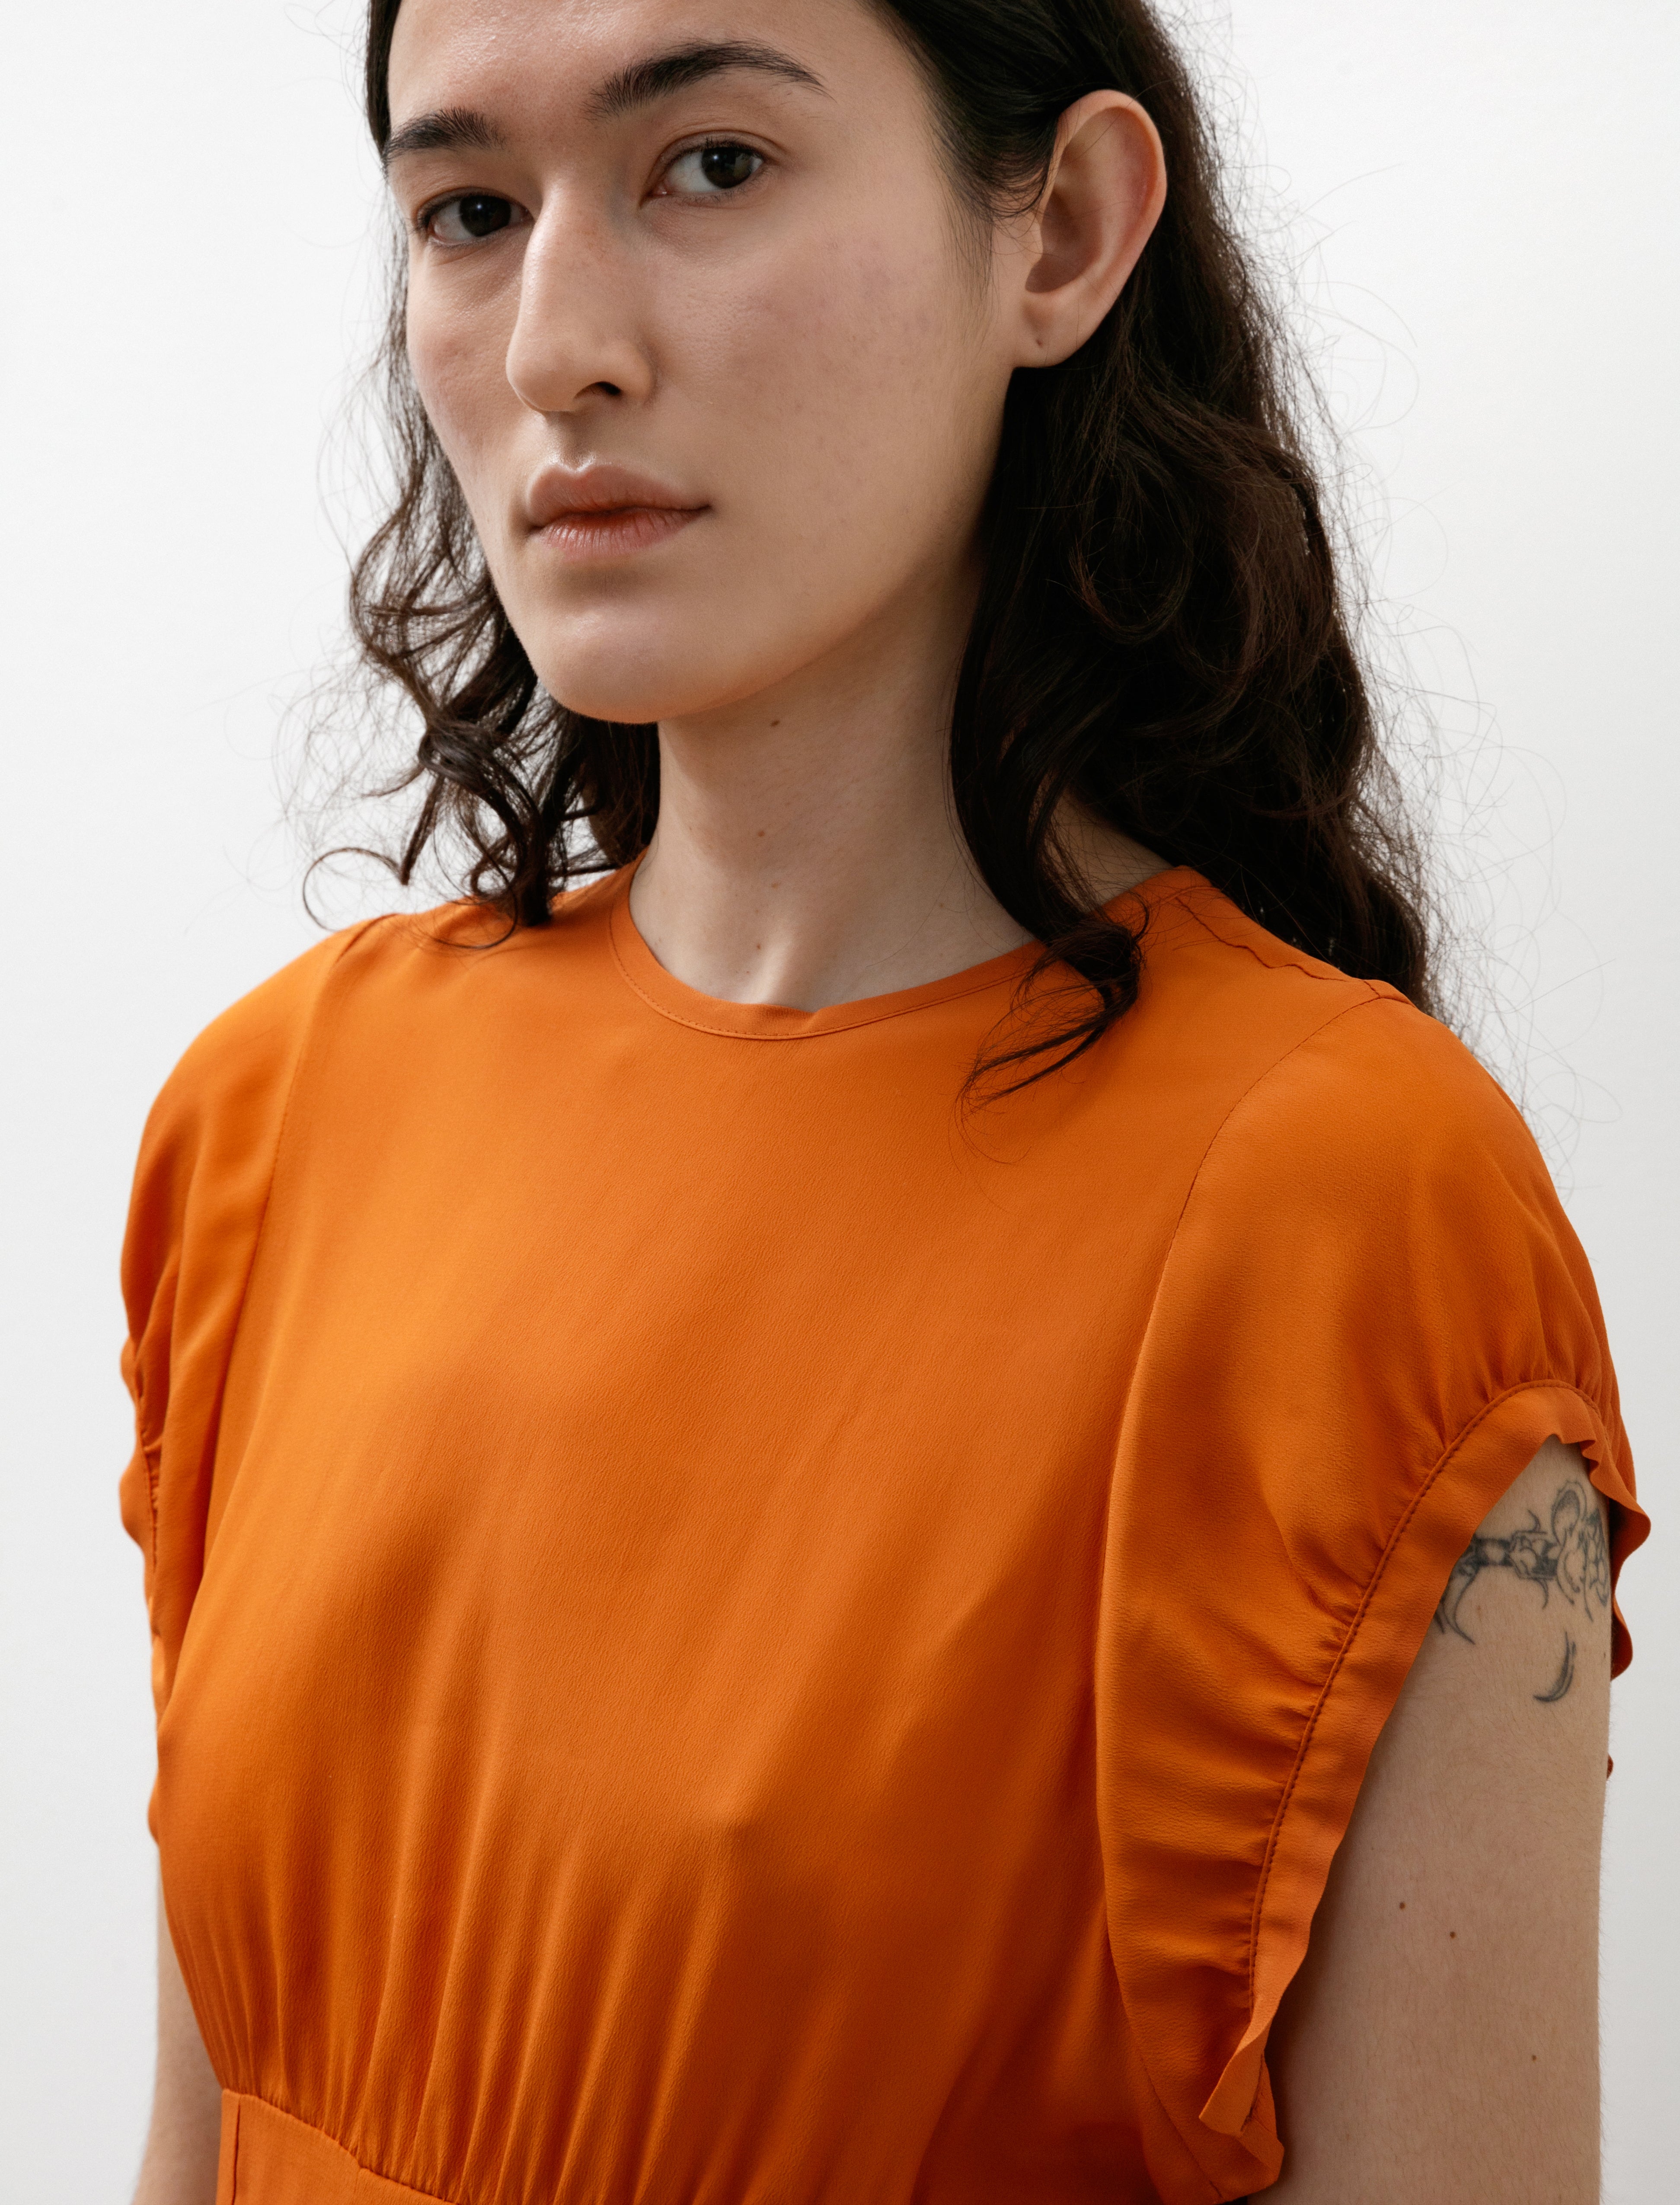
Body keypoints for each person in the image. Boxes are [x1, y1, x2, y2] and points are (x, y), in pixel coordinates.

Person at [123, 2, 1645, 2201]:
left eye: (712, 165)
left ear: (1067, 230)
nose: (558, 347)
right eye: (468, 210)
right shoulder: (274, 1123)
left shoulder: (1347, 1217)